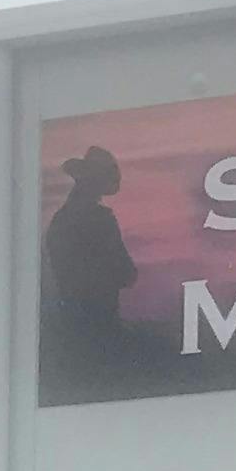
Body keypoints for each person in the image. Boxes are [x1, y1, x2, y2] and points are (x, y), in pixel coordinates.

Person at [39, 144, 136, 378]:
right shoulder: (101, 220)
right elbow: (126, 273)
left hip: (71, 321)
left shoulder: (60, 220)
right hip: (100, 324)